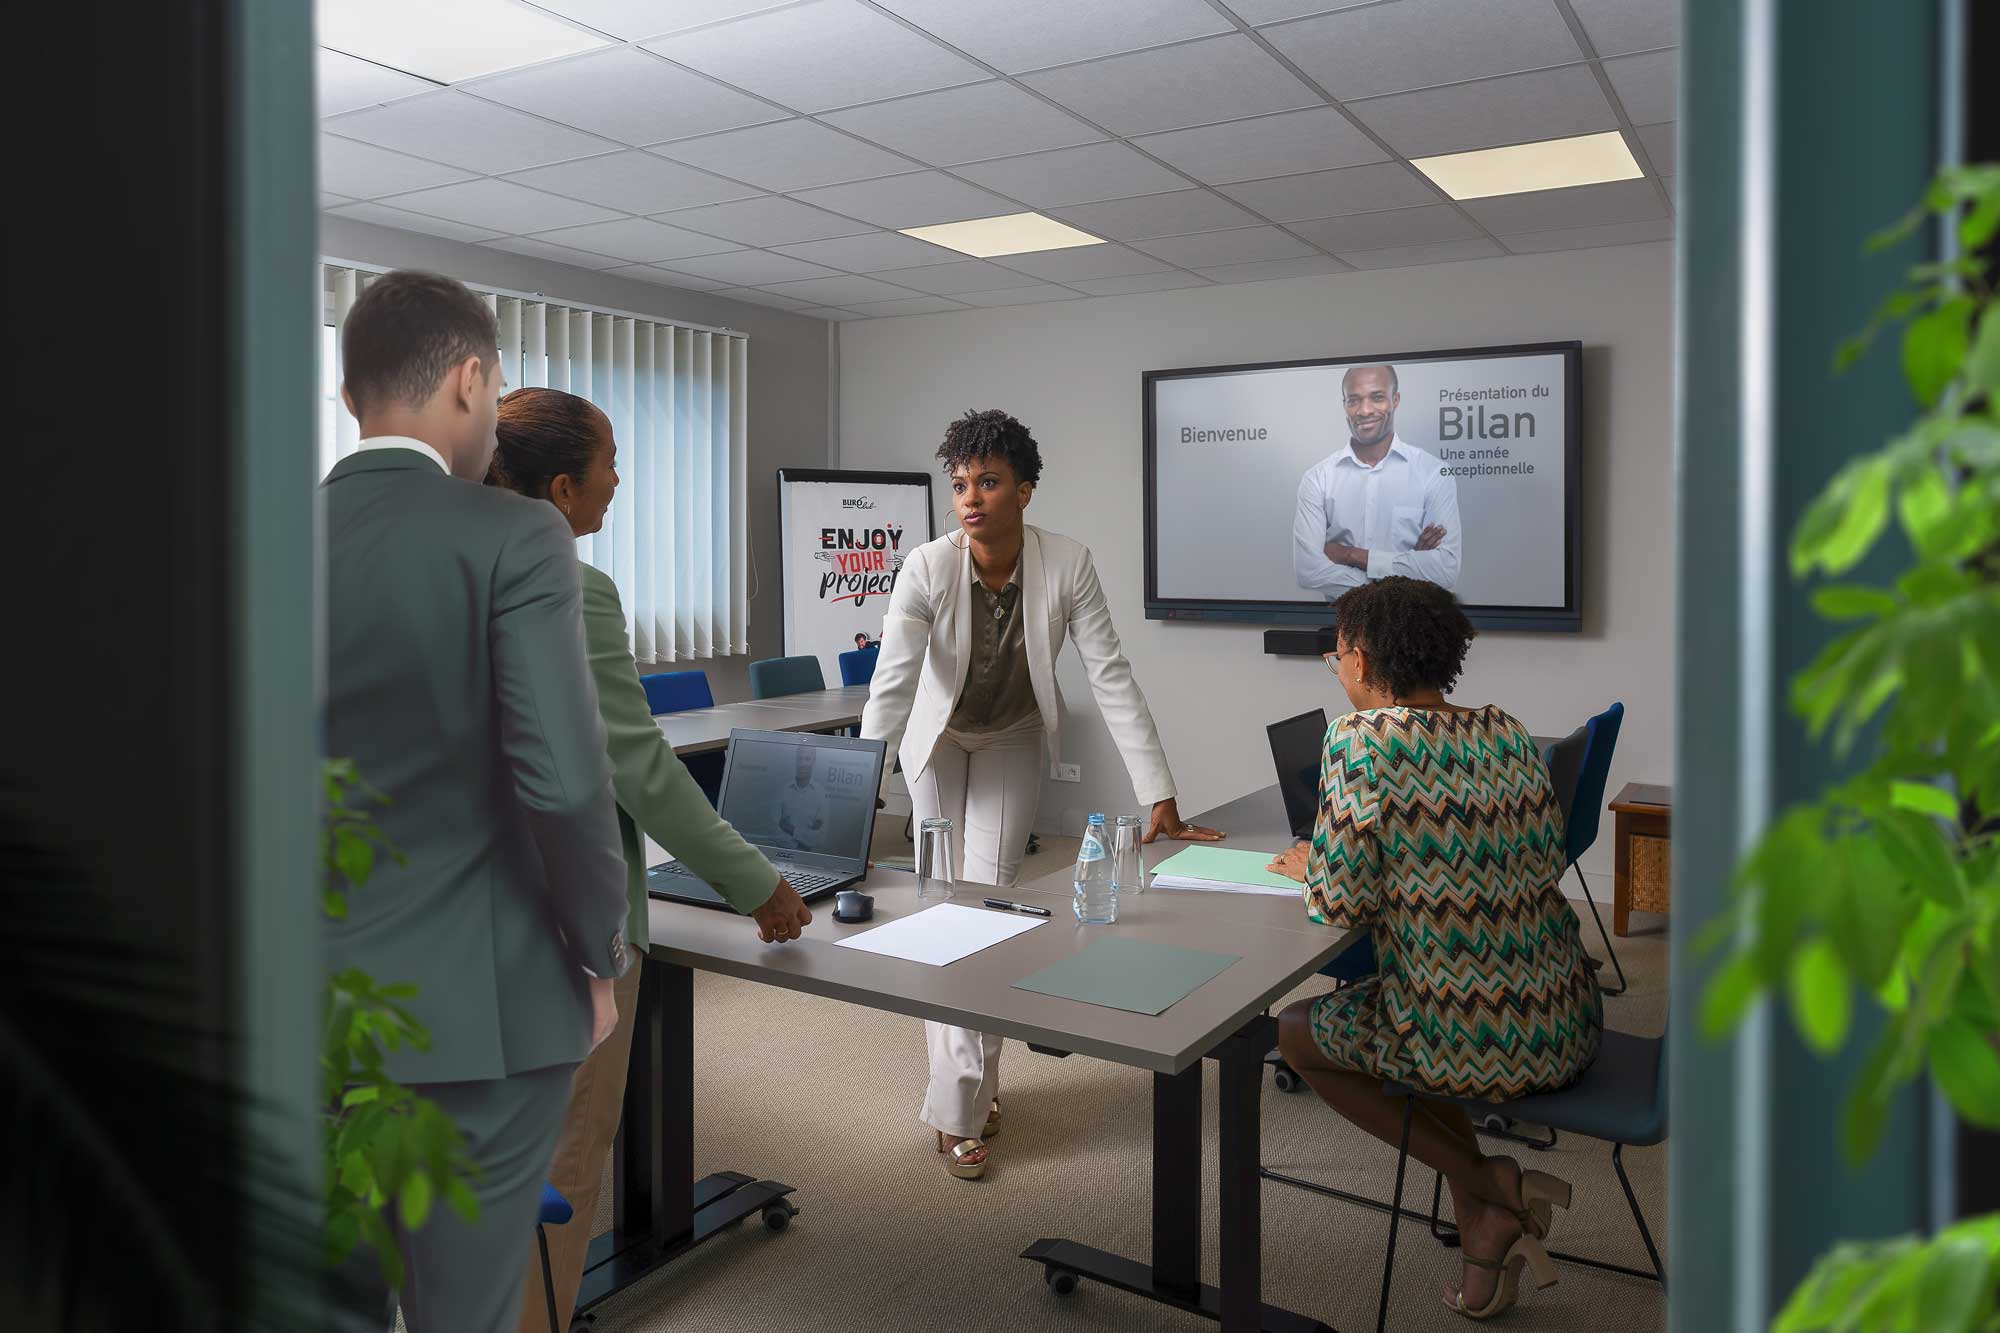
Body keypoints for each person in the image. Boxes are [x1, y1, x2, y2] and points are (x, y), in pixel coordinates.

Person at [322, 273, 632, 1333]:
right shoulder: (512, 538)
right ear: (467, 382)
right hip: (473, 1015)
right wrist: (596, 949)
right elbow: (564, 781)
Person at [481, 386, 815, 1332]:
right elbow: (641, 770)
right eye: (610, 463)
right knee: (561, 1162)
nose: (621, 480)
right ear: (558, 488)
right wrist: (758, 883)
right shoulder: (570, 588)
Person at [861, 408, 1223, 1181]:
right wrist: (860, 780)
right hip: (937, 740)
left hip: (1013, 736)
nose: (971, 497)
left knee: (987, 903)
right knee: (941, 906)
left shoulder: (1068, 563)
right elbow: (893, 680)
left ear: (1025, 489)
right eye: (959, 483)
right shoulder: (927, 565)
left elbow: (1110, 674)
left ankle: (968, 1092)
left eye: (988, 481)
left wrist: (1157, 787)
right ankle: (962, 1103)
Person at [1263, 576, 1601, 1321]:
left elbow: (1341, 900)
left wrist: (1312, 860)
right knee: (1409, 1012)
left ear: (1357, 656)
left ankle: (1493, 1183)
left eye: (1335, 655)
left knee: (1297, 1030)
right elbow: (1542, 856)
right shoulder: (1506, 729)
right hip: (1563, 1016)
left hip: (1473, 1040)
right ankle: (1485, 1227)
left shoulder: (1360, 740)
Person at [1293, 363, 1462, 597]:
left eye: (1377, 397)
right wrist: (1408, 568)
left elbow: (1445, 570)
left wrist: (1351, 555)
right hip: (1345, 628)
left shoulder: (1433, 473)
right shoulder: (1318, 478)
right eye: (1354, 400)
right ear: (1344, 405)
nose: (1364, 410)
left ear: (1396, 400)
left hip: (1413, 629)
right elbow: (1308, 571)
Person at [770, 745, 829, 851]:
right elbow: (774, 831)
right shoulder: (782, 791)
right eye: (800, 758)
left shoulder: (821, 794)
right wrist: (802, 843)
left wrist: (791, 829)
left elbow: (821, 838)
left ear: (813, 761)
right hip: (783, 854)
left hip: (809, 858)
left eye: (807, 759)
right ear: (796, 760)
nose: (803, 764)